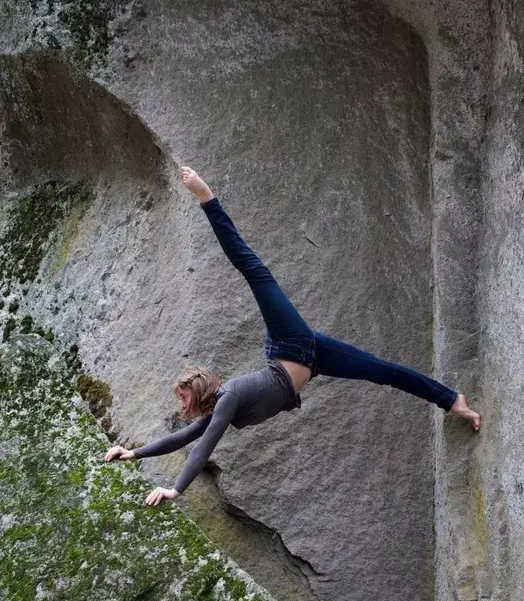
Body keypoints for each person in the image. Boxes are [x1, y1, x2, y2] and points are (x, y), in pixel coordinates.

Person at [105, 166, 482, 505]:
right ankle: (452, 400)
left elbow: (203, 447)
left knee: (253, 271)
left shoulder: (229, 397)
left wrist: (175, 488)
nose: (181, 404)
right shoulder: (223, 406)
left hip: (290, 345)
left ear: (199, 390)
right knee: (385, 371)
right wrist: (133, 453)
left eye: (183, 396)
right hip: (313, 358)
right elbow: (183, 438)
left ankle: (208, 199)